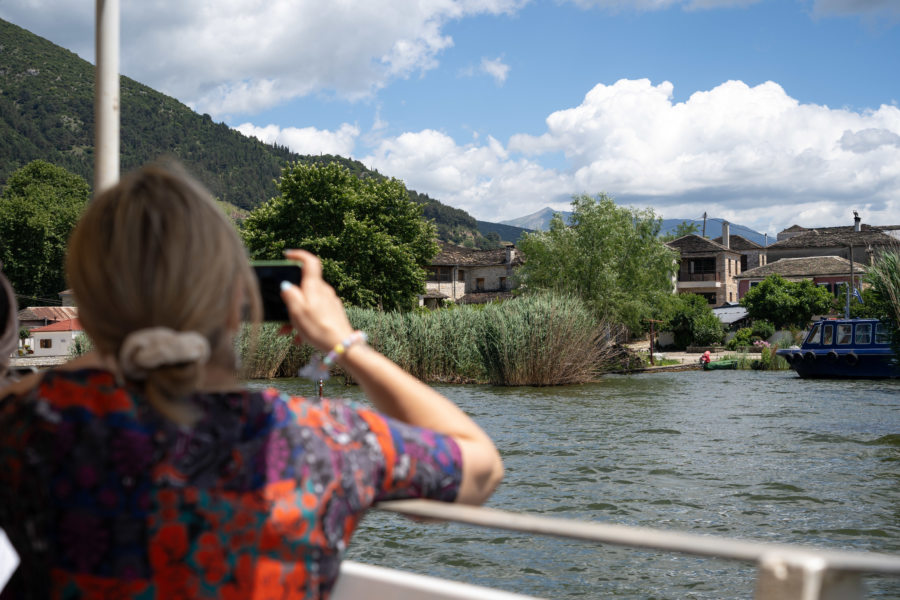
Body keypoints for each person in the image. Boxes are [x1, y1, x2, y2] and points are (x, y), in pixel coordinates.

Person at [0, 162, 503, 599]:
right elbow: (479, 468)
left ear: (86, 304)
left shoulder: (30, 424)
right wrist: (344, 342)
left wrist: (114, 343)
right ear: (238, 299)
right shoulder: (324, 441)